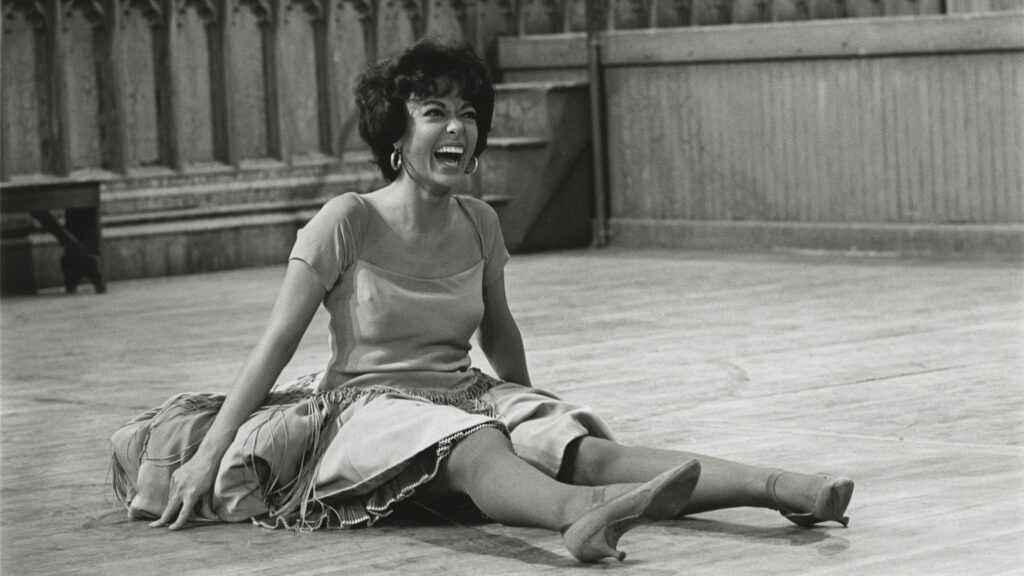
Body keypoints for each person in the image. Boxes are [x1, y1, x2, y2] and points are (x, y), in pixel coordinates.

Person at [109, 38, 854, 563]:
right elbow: (271, 348)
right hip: (366, 410)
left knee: (580, 447)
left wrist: (537, 411)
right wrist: (209, 456)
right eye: (434, 110)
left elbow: (500, 334)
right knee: (475, 444)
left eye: (467, 113)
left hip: (463, 392)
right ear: (396, 134)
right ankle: (577, 521)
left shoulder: (480, 221)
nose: (457, 127)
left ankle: (779, 487)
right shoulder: (347, 220)